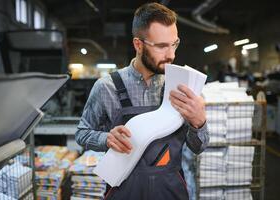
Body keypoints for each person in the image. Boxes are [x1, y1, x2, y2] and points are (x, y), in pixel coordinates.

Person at [75, 2, 209, 200]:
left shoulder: (183, 87)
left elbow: (199, 147)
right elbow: (82, 133)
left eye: (174, 44)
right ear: (138, 44)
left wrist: (199, 123)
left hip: (170, 191)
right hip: (123, 190)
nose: (171, 55)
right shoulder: (107, 87)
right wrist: (107, 139)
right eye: (162, 46)